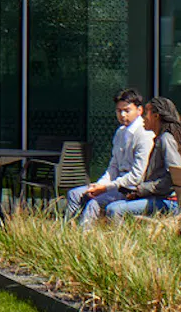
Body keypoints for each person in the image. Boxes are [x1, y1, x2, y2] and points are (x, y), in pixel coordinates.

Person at [65, 91, 156, 225]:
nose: (122, 115)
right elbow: (113, 166)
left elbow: (137, 176)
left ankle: (84, 237)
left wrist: (105, 188)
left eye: (127, 110)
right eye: (119, 111)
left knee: (93, 203)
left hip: (130, 189)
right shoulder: (120, 132)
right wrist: (100, 184)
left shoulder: (144, 135)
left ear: (139, 110)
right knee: (74, 194)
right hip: (114, 185)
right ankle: (66, 233)